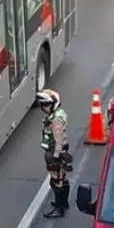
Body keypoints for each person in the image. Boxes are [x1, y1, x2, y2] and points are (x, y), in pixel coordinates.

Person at [34, 88, 71, 218]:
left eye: (46, 105)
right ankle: (63, 203)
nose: (43, 108)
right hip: (58, 152)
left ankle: (60, 208)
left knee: (57, 182)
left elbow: (58, 140)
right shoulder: (56, 115)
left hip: (56, 153)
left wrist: (55, 158)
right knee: (61, 179)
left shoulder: (56, 120)